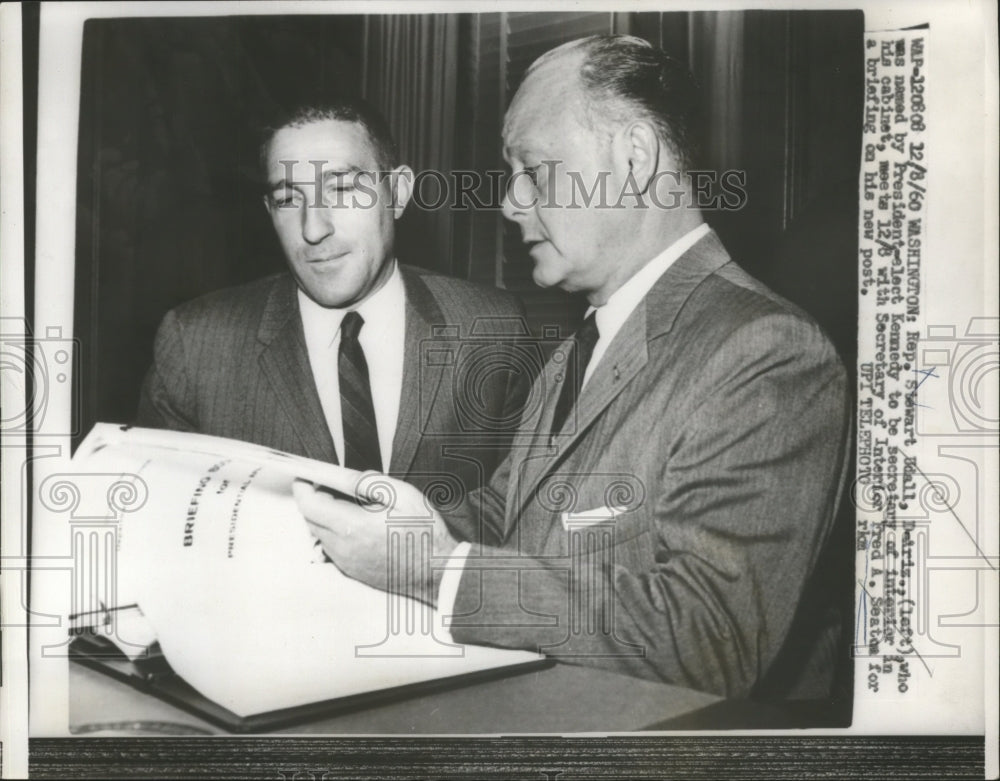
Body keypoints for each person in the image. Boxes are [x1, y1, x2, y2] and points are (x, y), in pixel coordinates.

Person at [293, 35, 852, 700]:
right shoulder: (578, 347)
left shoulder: (768, 349)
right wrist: (382, 525)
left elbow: (713, 634)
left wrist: (431, 570)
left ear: (635, 158)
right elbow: (517, 515)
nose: (509, 203)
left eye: (533, 170)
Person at [136, 96, 529, 499]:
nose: (313, 228)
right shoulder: (195, 345)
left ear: (397, 192)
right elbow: (161, 528)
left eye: (341, 189)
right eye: (288, 199)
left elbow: (515, 511)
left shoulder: (492, 328)